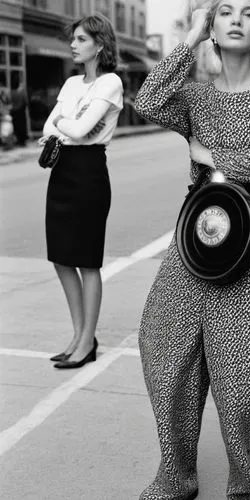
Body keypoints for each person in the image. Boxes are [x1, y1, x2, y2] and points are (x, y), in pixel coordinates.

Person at [134, 1, 250, 499]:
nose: (234, 19)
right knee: (162, 346)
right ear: (213, 26)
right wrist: (188, 38)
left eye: (248, 13)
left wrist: (210, 154)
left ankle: (248, 485)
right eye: (223, 11)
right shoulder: (197, 99)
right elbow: (146, 101)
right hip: (197, 234)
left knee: (239, 374)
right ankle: (176, 476)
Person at [40, 14, 123, 369]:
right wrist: (63, 125)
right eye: (73, 38)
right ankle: (78, 336)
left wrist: (62, 124)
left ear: (99, 44)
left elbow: (80, 129)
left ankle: (87, 341)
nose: (73, 44)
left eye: (80, 39)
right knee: (60, 257)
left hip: (89, 173)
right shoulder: (72, 83)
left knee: (87, 261)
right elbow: (52, 127)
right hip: (61, 174)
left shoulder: (111, 83)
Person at [10, 74, 28, 147]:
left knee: (16, 126)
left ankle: (18, 140)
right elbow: (25, 102)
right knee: (22, 126)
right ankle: (22, 141)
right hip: (21, 111)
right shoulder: (21, 92)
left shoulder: (10, 92)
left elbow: (8, 102)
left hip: (13, 112)